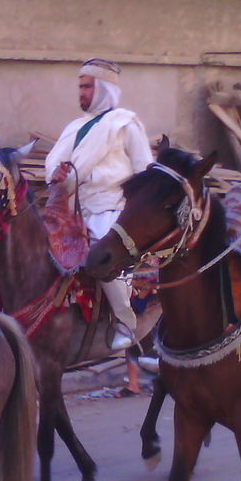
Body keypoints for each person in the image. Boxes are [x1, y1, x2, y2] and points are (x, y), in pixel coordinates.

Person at [44, 58, 153, 350]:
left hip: (113, 210)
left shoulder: (125, 124)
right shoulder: (74, 127)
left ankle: (125, 324)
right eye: (79, 86)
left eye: (87, 86)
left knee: (102, 257)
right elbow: (54, 162)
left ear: (104, 88)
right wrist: (57, 174)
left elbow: (145, 171)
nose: (81, 92)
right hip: (72, 209)